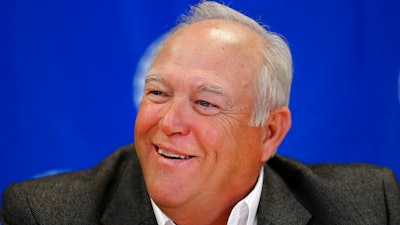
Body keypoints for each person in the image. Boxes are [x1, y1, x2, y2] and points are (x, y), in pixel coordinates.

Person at [1, 1, 399, 225]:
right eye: (158, 93)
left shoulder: (366, 206)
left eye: (206, 103)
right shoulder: (46, 215)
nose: (168, 124)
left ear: (270, 133)